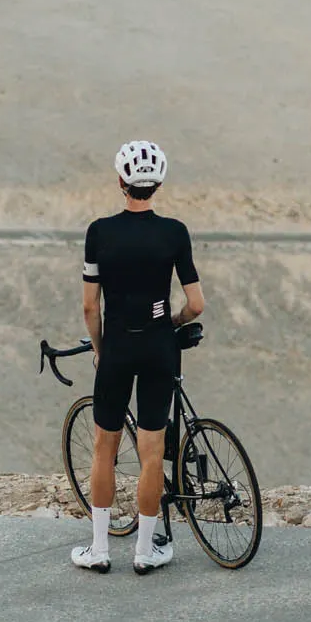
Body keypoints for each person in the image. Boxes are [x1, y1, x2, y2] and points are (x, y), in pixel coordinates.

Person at [72, 139, 204, 575]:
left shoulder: (99, 232)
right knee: (152, 450)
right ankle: (146, 551)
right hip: (157, 345)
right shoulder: (174, 233)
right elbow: (197, 304)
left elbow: (91, 306)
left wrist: (99, 349)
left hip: (119, 346)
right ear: (158, 184)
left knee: (103, 448)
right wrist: (172, 322)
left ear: (121, 182)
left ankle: (99, 549)